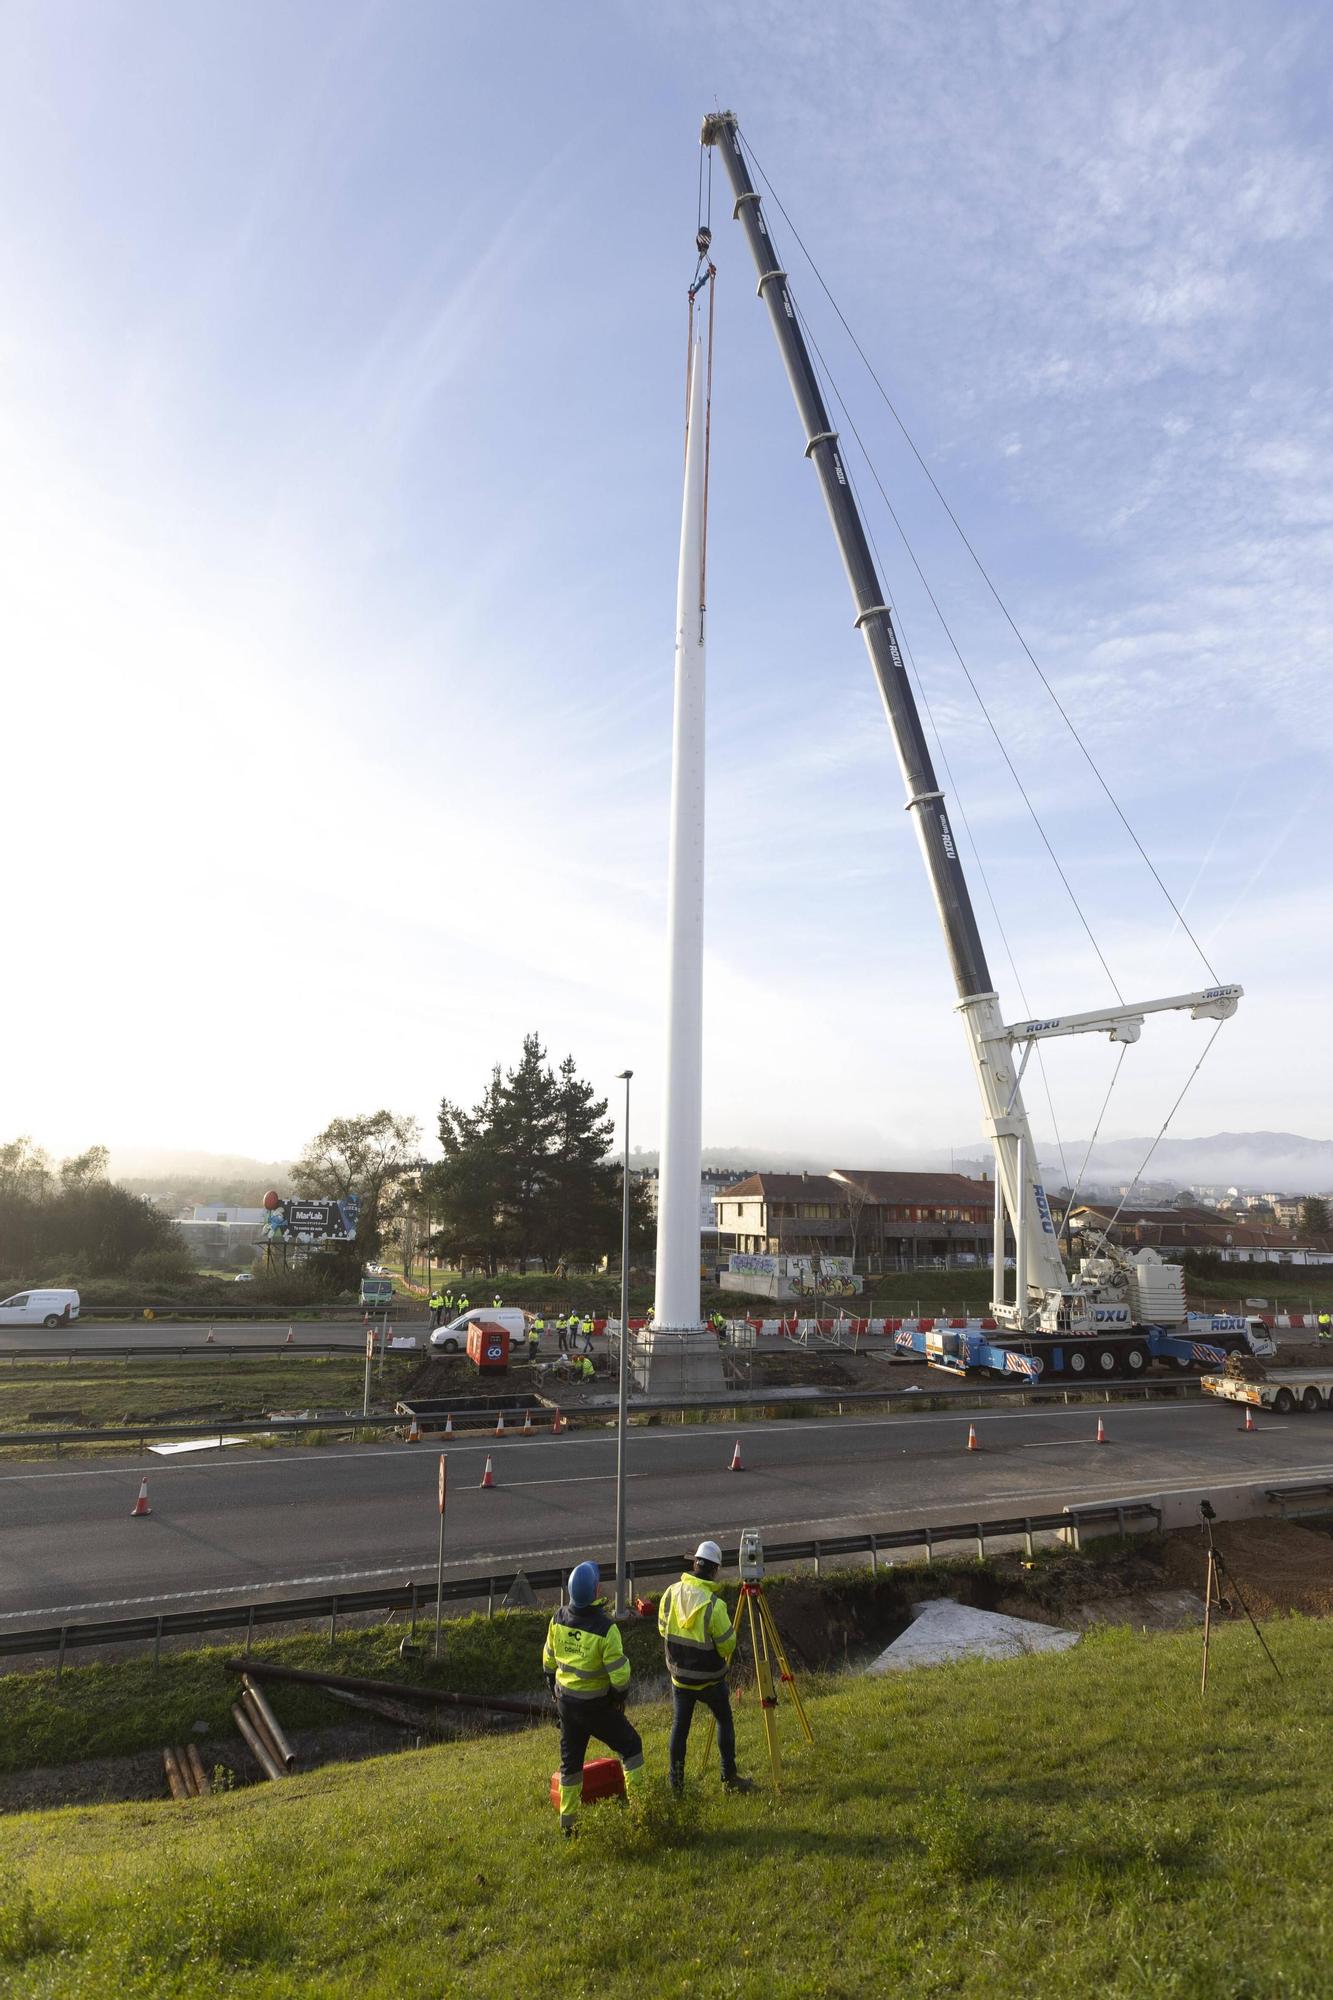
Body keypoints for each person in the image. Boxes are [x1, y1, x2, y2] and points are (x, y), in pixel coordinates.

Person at [542, 1560, 644, 1835]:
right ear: (597, 1590)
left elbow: (548, 1661)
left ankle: (568, 1825)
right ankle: (640, 1812)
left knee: (570, 1765)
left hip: (566, 1704)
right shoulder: (605, 1628)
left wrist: (554, 1687)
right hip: (596, 1706)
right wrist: (617, 1698)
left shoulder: (558, 1618)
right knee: (631, 1747)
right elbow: (619, 1676)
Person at [658, 1539, 754, 1794]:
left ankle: (675, 1786)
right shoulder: (714, 1605)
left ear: (694, 1564)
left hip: (680, 1678)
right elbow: (727, 1645)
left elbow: (661, 1627)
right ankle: (729, 1777)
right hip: (710, 1680)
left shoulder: (670, 1593)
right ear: (714, 1570)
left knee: (680, 1728)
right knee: (724, 1719)